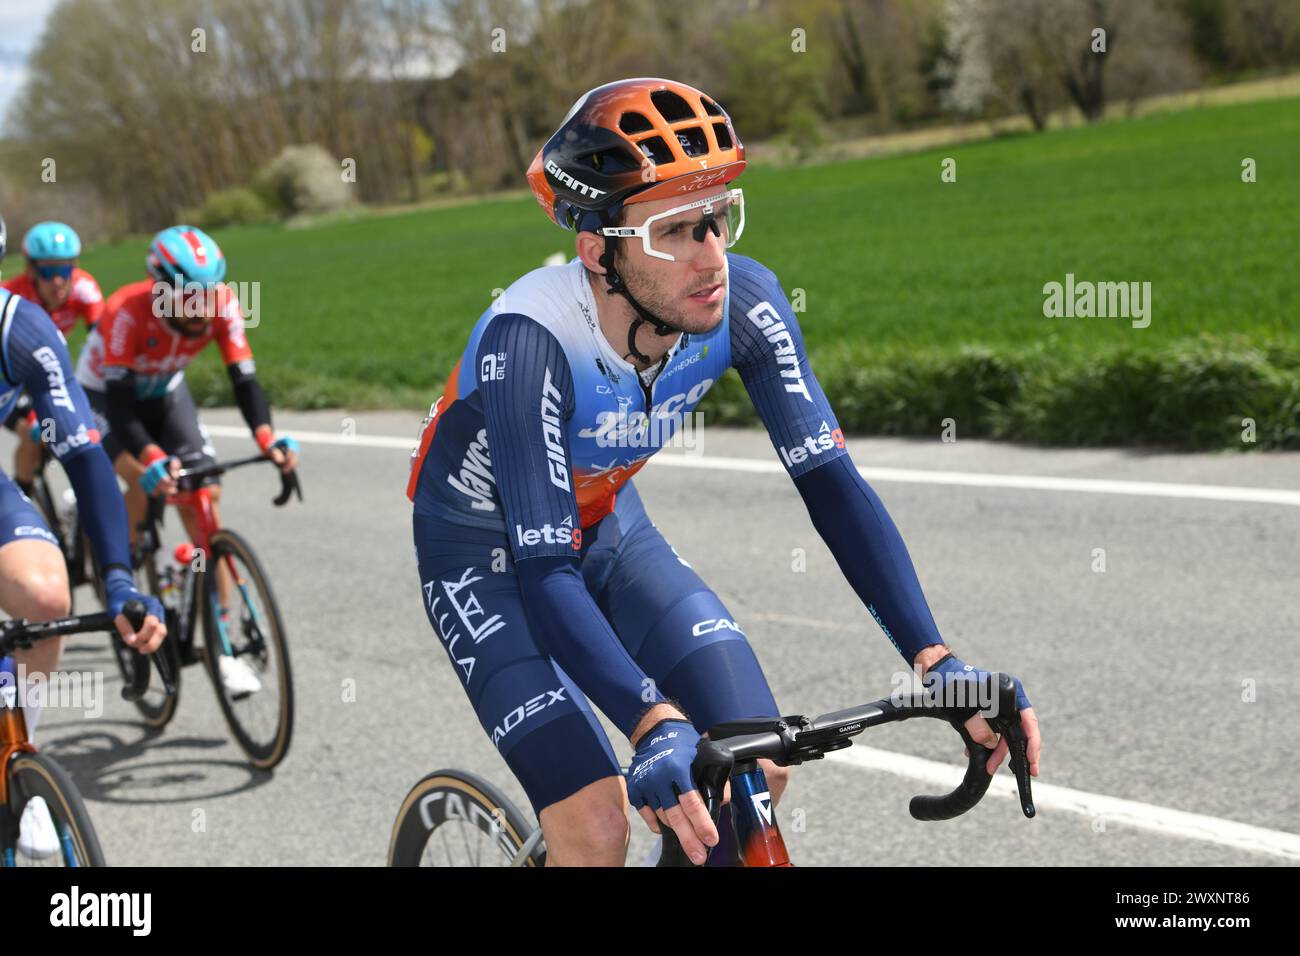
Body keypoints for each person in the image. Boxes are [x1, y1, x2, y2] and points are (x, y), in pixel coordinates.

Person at [407, 78, 1041, 866]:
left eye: (717, 218)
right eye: (674, 229)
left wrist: (936, 660)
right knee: (598, 827)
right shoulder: (529, 342)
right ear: (598, 250)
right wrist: (652, 723)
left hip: (606, 526)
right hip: (485, 557)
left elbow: (832, 486)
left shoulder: (744, 305)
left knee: (757, 767)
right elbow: (542, 566)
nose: (711, 256)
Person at [0, 213, 166, 857]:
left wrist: (121, 582)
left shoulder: (23, 328)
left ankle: (17, 757)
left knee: (46, 601)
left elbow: (84, 455)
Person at [74, 225, 299, 695]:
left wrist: (267, 440)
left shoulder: (224, 304)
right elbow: (117, 405)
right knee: (143, 480)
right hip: (105, 398)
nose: (202, 307)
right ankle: (130, 567)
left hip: (166, 393)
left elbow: (243, 380)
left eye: (208, 293)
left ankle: (222, 649)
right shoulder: (125, 313)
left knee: (205, 498)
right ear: (161, 291)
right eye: (188, 297)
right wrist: (152, 458)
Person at [1, 221, 105, 494]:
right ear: (30, 270)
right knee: (35, 432)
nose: (58, 279)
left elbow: (99, 345)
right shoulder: (13, 296)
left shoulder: (84, 288)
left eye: (64, 269)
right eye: (48, 270)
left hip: (50, 373)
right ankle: (22, 493)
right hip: (13, 380)